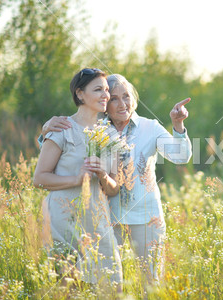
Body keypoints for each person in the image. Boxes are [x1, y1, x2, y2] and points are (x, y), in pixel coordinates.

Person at [41, 74, 192, 284]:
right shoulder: (96, 128)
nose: (122, 104)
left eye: (126, 96)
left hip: (145, 218)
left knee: (152, 283)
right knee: (105, 282)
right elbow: (63, 151)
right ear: (105, 102)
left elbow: (181, 156)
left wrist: (177, 125)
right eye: (114, 98)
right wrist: (46, 130)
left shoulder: (151, 128)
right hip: (106, 219)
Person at [33, 68, 122, 287]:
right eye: (98, 89)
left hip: (96, 219)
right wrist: (77, 179)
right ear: (80, 94)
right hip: (63, 219)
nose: (105, 95)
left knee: (112, 285)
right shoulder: (61, 127)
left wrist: (102, 174)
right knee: (69, 289)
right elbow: (39, 179)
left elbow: (113, 188)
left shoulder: (110, 134)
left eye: (107, 90)